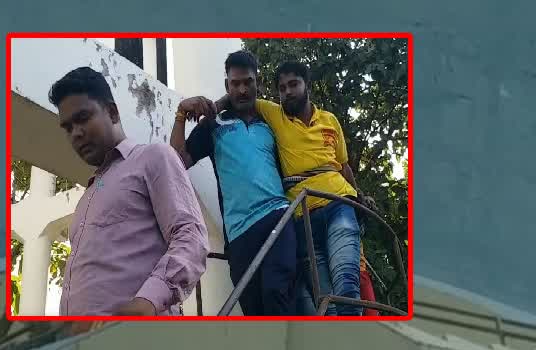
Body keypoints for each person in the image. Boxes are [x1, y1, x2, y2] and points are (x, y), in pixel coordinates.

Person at [48, 67, 208, 317]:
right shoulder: (87, 197)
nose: (76, 133)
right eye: (67, 128)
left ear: (112, 112)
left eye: (83, 118)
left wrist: (149, 299)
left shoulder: (153, 157)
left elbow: (191, 236)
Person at [214, 62, 368, 316]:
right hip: (301, 215)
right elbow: (239, 94)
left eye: (294, 84)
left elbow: (344, 167)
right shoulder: (275, 114)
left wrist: (359, 196)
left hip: (339, 203)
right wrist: (212, 107)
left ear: (307, 85)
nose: (287, 92)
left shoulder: (329, 120)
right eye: (282, 88)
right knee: (325, 301)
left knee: (346, 285)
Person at [172, 51, 296, 316]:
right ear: (227, 85)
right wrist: (181, 113)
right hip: (239, 232)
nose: (242, 89)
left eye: (248, 82)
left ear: (257, 83)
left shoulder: (272, 121)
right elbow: (178, 161)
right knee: (253, 310)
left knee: (277, 293)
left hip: (278, 217)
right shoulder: (214, 125)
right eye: (235, 83)